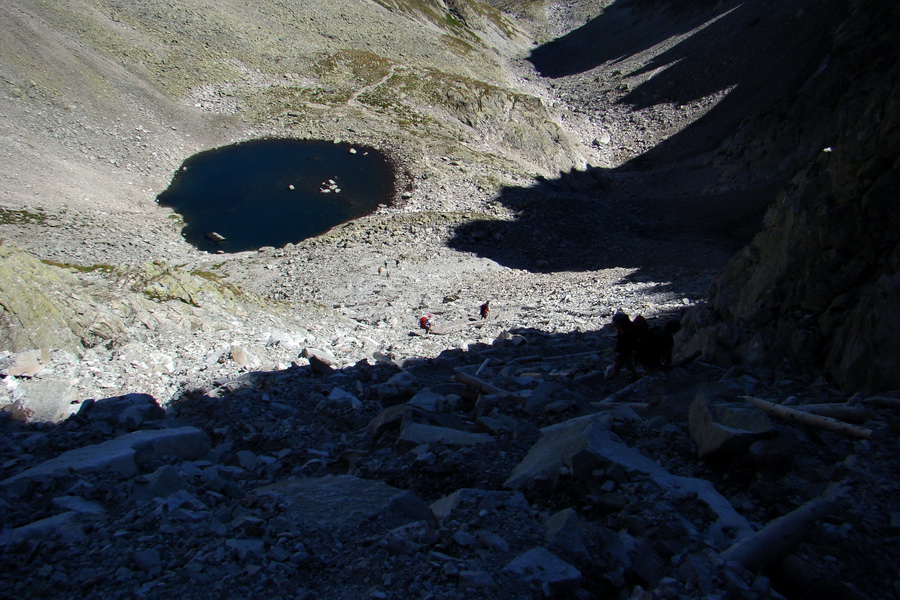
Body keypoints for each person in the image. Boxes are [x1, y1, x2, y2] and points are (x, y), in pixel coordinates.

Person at [605, 312, 642, 381]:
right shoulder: (625, 329)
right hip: (627, 351)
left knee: (619, 362)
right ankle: (634, 375)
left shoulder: (628, 331)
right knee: (628, 361)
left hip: (627, 351)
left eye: (617, 323)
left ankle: (611, 378)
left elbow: (627, 346)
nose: (616, 326)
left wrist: (619, 352)